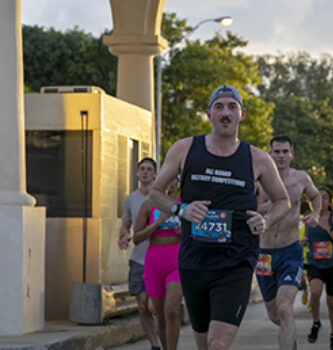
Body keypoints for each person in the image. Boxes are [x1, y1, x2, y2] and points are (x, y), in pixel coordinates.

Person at [149, 84, 290, 350]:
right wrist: (182, 209)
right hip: (194, 262)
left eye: (232, 107)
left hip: (236, 261)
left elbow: (283, 201)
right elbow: (156, 192)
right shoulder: (185, 149)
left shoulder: (257, 158)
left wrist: (266, 220)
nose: (226, 112)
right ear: (208, 114)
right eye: (219, 107)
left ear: (242, 114)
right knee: (204, 345)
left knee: (219, 344)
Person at [254, 135, 322, 350]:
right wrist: (274, 204)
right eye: (277, 151)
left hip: (290, 251)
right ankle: (290, 340)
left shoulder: (300, 179)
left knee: (284, 308)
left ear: (292, 154)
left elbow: (315, 197)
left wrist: (316, 214)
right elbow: (250, 209)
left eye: (285, 152)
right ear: (269, 153)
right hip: (263, 253)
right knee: (275, 315)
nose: (281, 156)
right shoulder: (257, 180)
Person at [117, 157, 161, 350]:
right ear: (137, 173)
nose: (145, 172)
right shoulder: (130, 199)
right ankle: (154, 345)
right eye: (142, 169)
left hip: (159, 257)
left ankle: (165, 337)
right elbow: (125, 225)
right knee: (143, 307)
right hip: (138, 259)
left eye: (149, 169)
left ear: (155, 174)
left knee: (153, 306)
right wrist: (123, 236)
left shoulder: (161, 199)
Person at [133, 177, 182, 350]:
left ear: (178, 182)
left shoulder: (184, 206)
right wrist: (157, 223)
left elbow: (199, 235)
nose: (170, 184)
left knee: (172, 311)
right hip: (154, 263)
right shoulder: (148, 205)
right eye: (166, 180)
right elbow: (137, 238)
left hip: (176, 262)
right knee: (161, 316)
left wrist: (185, 232)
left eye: (174, 179)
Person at [302, 188, 333, 350]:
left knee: (332, 303)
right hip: (314, 264)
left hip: (332, 265)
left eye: (325, 198)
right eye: (318, 198)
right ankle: (316, 322)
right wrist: (304, 241)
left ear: (330, 201)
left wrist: (328, 230)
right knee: (315, 292)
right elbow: (305, 238)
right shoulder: (308, 219)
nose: (322, 201)